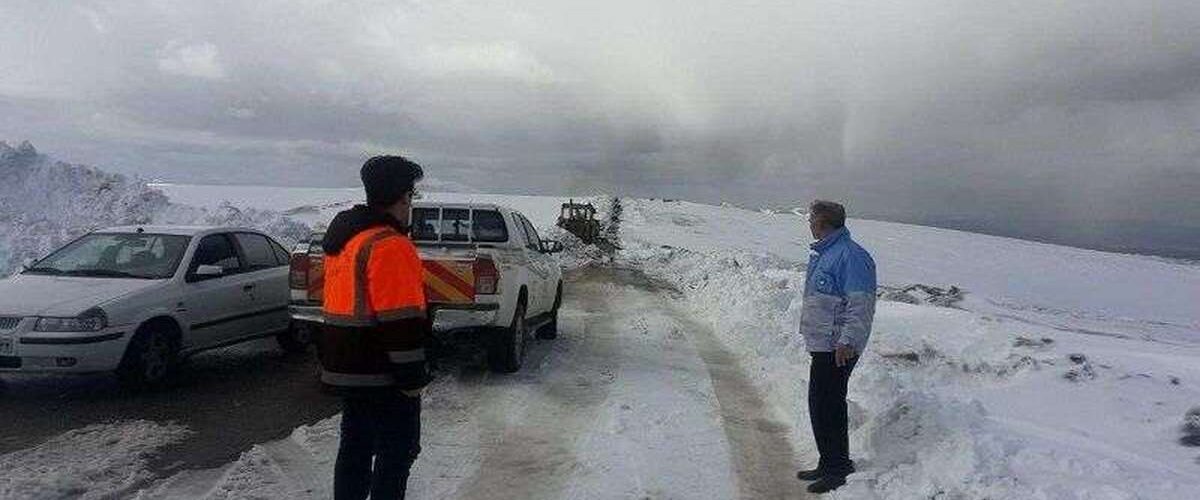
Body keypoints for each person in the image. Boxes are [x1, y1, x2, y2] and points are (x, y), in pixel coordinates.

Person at [318, 155, 431, 500]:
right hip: (383, 376)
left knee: (354, 452)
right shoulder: (390, 245)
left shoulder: (348, 241)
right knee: (397, 454)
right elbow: (402, 324)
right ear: (403, 197)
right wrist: (413, 381)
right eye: (411, 195)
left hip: (347, 369)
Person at [795, 200, 877, 494]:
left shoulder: (851, 256)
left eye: (811, 219)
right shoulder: (826, 253)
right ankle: (828, 462)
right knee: (820, 405)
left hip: (837, 347)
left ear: (823, 223)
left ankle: (838, 468)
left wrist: (848, 341)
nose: (809, 223)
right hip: (823, 344)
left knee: (829, 405)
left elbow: (861, 303)